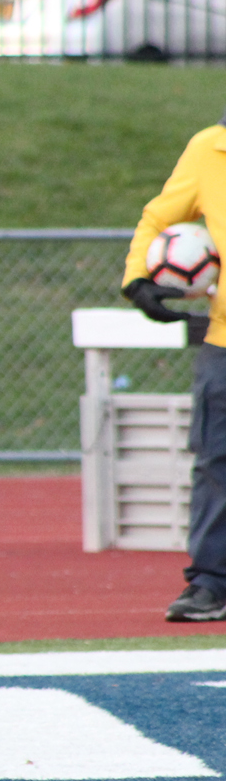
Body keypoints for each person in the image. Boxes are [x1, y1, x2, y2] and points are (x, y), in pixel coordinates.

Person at [121, 107, 226, 622]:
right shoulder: (210, 148)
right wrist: (140, 278)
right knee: (216, 461)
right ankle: (212, 582)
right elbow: (161, 218)